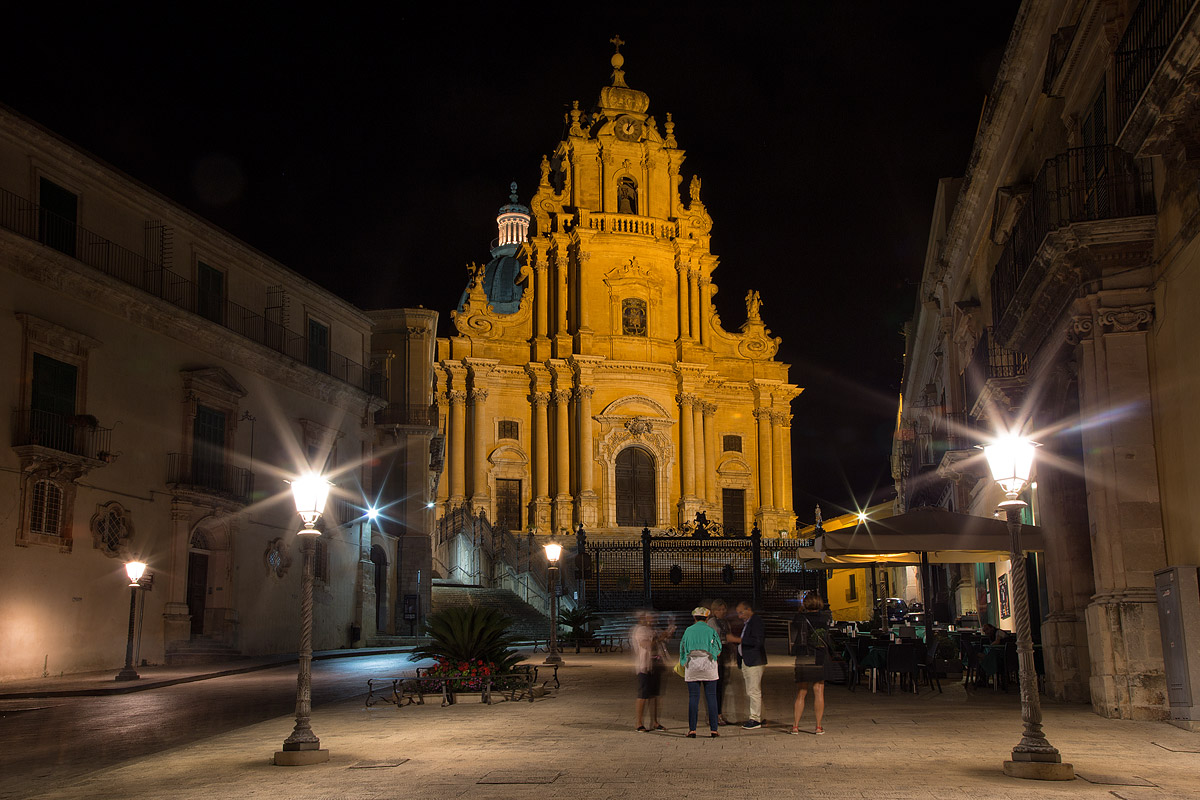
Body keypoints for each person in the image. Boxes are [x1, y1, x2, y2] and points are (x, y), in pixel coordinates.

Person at [789, 591, 831, 735]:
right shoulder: (825, 617)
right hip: (819, 655)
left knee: (801, 692)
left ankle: (795, 726)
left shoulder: (800, 618)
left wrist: (801, 611)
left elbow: (794, 630)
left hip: (804, 655)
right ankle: (818, 726)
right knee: (819, 691)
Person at [679, 606, 722, 738]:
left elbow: (683, 647)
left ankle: (692, 730)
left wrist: (683, 661)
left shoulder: (688, 630)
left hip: (692, 665)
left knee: (693, 697)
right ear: (707, 617)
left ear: (694, 617)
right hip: (708, 664)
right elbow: (718, 648)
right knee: (711, 697)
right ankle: (714, 729)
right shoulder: (711, 630)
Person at [727, 600, 767, 728]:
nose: (739, 616)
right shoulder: (749, 622)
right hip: (748, 660)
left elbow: (757, 641)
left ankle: (755, 719)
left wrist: (737, 640)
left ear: (748, 609)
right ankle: (760, 716)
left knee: (753, 690)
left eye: (741, 612)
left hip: (754, 660)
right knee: (753, 689)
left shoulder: (756, 621)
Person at [631, 610, 672, 732]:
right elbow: (646, 644)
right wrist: (660, 638)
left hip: (656, 665)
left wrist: (668, 633)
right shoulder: (640, 630)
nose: (653, 620)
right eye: (650, 618)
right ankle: (639, 723)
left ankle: (655, 722)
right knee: (643, 695)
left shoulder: (654, 630)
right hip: (645, 666)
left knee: (655, 695)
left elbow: (663, 641)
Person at [706, 599, 733, 726]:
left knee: (721, 686)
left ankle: (719, 713)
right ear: (714, 611)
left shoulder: (725, 622)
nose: (722, 612)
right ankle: (714, 715)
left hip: (723, 655)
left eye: (723, 609)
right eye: (719, 609)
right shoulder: (712, 622)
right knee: (715, 687)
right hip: (715, 656)